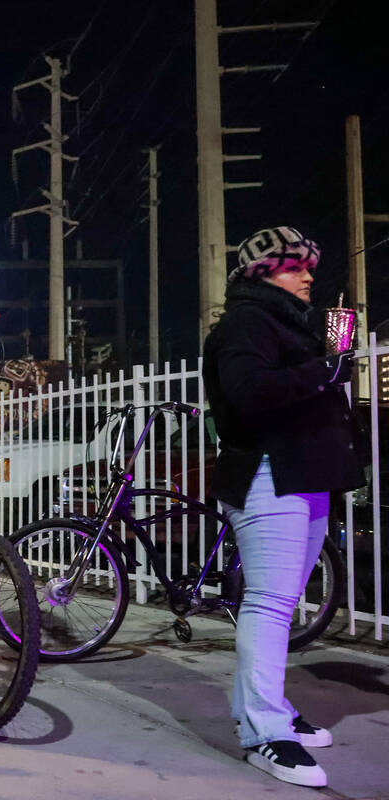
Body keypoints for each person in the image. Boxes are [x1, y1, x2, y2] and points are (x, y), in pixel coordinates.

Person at [202, 226, 365, 788]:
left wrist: (328, 362)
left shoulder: (291, 324)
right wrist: (324, 370)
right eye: (295, 266)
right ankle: (264, 733)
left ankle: (266, 705)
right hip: (268, 473)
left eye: (308, 265)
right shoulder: (247, 323)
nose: (308, 275)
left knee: (284, 600)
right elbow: (248, 393)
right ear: (262, 273)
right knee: (270, 604)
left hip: (304, 474)